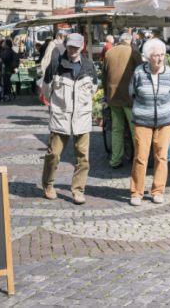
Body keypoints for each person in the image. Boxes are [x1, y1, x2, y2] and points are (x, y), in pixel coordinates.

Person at [40, 33, 98, 205]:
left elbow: (93, 88)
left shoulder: (88, 66)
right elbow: (46, 89)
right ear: (66, 45)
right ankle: (48, 185)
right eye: (70, 46)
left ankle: (78, 190)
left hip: (82, 118)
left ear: (82, 47)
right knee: (54, 154)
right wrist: (57, 106)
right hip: (61, 117)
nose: (73, 50)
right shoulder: (56, 65)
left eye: (76, 47)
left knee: (83, 157)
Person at [128, 37, 170, 206]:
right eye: (156, 55)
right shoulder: (139, 72)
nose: (160, 58)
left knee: (161, 156)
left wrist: (165, 109)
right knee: (141, 157)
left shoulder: (169, 73)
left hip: (164, 120)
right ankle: (136, 192)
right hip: (143, 119)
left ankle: (158, 190)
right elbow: (132, 92)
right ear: (148, 56)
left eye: (162, 55)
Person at [101, 32, 141, 169]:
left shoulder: (109, 53)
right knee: (135, 129)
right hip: (129, 97)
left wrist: (106, 95)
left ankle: (115, 160)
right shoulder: (133, 52)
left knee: (117, 129)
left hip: (113, 97)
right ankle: (139, 160)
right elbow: (141, 73)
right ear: (129, 41)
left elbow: (104, 77)